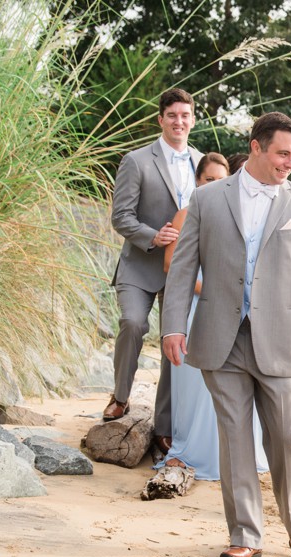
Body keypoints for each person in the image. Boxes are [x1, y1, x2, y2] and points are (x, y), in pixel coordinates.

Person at [162, 112, 291, 557]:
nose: (289, 162)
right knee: (234, 436)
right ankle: (245, 534)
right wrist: (173, 325)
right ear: (256, 147)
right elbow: (183, 268)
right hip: (221, 336)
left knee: (290, 435)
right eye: (281, 153)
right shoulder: (207, 199)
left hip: (282, 338)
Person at [157, 153, 268, 480]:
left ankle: (235, 451)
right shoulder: (186, 214)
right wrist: (216, 288)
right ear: (198, 181)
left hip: (230, 311)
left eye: (223, 179)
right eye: (209, 179)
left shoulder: (238, 216)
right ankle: (194, 451)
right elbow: (172, 266)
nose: (216, 185)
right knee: (196, 387)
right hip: (197, 308)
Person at [105, 88, 202, 457]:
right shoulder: (136, 160)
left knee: (172, 344)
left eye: (185, 115)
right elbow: (120, 216)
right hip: (140, 265)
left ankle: (164, 425)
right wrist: (152, 235)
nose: (179, 121)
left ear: (193, 120)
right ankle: (120, 396)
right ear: (160, 119)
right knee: (132, 323)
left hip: (181, 271)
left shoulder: (200, 161)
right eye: (172, 115)